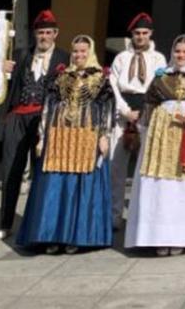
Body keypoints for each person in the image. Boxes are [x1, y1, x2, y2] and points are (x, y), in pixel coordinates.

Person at [16, 35, 114, 253]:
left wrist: (104, 135)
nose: (79, 55)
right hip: (60, 136)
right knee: (56, 186)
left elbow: (107, 108)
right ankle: (52, 235)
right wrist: (42, 135)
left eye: (83, 51)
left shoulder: (100, 78)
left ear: (90, 53)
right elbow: (47, 107)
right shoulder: (60, 77)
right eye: (76, 51)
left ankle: (75, 236)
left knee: (80, 186)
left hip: (86, 135)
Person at [125, 35, 185, 256]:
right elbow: (148, 107)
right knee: (161, 186)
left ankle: (182, 236)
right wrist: (142, 134)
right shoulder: (160, 79)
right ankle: (158, 237)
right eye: (178, 51)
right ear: (172, 53)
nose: (181, 55)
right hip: (161, 137)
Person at [0, 10, 71, 241]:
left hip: (46, 121)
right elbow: (0, 79)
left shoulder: (64, 57)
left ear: (55, 34)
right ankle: (5, 223)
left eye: (47, 32)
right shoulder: (22, 55)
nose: (43, 36)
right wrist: (1, 70)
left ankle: (39, 222)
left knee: (43, 171)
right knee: (10, 170)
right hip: (18, 118)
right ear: (35, 34)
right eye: (40, 32)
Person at [108, 13, 167, 231]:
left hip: (147, 111)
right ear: (131, 35)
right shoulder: (121, 58)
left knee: (146, 167)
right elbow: (112, 85)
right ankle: (114, 215)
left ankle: (142, 217)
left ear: (150, 34)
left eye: (144, 33)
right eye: (136, 33)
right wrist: (124, 111)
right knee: (116, 167)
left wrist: (145, 112)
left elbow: (160, 86)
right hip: (122, 112)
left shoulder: (159, 58)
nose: (140, 37)